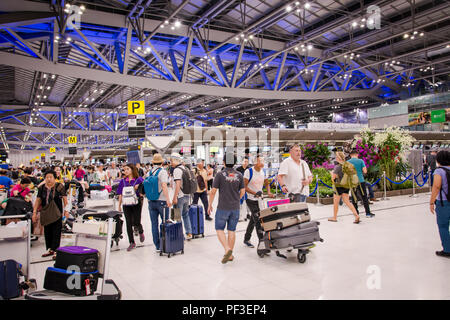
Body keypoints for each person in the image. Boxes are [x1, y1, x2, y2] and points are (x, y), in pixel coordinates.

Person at [208, 153, 245, 264]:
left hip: (223, 207)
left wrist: (209, 204)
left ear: (223, 162)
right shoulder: (239, 175)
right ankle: (230, 254)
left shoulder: (220, 175)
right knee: (231, 230)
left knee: (219, 229)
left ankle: (227, 249)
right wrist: (236, 199)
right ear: (234, 162)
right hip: (235, 207)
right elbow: (243, 191)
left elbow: (213, 191)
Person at [32, 170, 69, 258]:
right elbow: (38, 200)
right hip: (46, 212)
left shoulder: (59, 186)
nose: (48, 179)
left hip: (57, 212)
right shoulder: (41, 188)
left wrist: (66, 211)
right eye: (47, 177)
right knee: (47, 231)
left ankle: (56, 250)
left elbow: (65, 199)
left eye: (50, 177)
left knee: (56, 231)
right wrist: (34, 212)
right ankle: (50, 249)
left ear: (54, 178)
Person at [243, 155, 274, 248]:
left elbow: (267, 183)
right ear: (255, 162)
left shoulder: (263, 172)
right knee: (258, 220)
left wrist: (268, 192)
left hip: (259, 199)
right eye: (261, 161)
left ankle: (246, 239)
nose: (263, 163)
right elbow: (245, 187)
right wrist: (255, 193)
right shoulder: (249, 172)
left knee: (253, 219)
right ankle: (262, 243)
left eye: (263, 161)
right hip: (250, 199)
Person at [142, 154, 172, 253]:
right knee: (164, 223)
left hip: (151, 201)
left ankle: (157, 245)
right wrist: (168, 199)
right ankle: (165, 243)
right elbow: (164, 186)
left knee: (154, 224)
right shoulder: (162, 172)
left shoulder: (149, 173)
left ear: (153, 162)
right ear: (162, 162)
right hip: (162, 201)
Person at [117, 163, 145, 251]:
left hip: (136, 203)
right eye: (124, 170)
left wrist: (139, 188)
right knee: (128, 223)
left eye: (127, 169)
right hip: (126, 204)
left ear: (132, 169)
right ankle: (132, 242)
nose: (125, 171)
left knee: (136, 222)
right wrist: (119, 206)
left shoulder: (139, 180)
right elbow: (120, 194)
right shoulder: (123, 181)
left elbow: (143, 192)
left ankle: (140, 231)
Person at [328, 151, 361, 224]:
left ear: (338, 158)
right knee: (348, 202)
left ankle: (334, 217)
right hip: (346, 185)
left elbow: (333, 178)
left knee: (336, 203)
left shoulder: (337, 167)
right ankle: (356, 215)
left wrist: (331, 174)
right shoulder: (347, 165)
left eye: (336, 156)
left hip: (338, 186)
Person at [429, 150, 450, 257]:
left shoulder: (439, 171)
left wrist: (431, 202)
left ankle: (447, 249)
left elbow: (436, 187)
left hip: (444, 203)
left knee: (443, 226)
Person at [170, 153, 193, 240]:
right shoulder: (185, 168)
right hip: (187, 195)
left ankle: (180, 235)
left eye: (172, 161)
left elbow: (178, 184)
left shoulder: (176, 170)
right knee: (185, 215)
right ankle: (189, 233)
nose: (171, 163)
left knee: (177, 216)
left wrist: (175, 197)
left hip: (179, 196)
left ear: (176, 160)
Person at [347, 149, 375, 218]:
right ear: (357, 154)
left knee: (354, 198)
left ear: (350, 155)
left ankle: (356, 213)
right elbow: (365, 171)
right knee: (364, 197)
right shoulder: (361, 161)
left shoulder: (347, 162)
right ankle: (368, 213)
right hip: (361, 181)